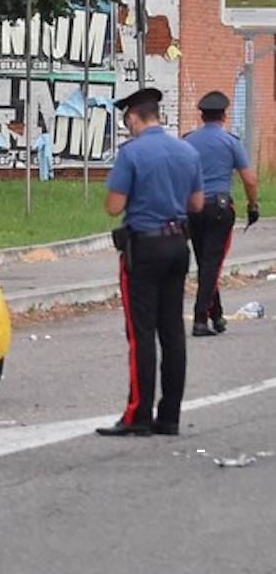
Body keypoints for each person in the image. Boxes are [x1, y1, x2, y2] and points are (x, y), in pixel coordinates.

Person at [97, 88, 204, 437]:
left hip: (144, 248)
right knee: (172, 330)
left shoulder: (132, 154)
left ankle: (138, 415)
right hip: (178, 245)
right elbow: (197, 204)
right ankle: (169, 416)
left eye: (126, 119)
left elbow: (114, 206)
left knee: (141, 332)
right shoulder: (187, 150)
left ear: (132, 118)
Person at [183, 90, 260, 337]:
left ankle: (216, 315)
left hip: (192, 209)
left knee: (206, 261)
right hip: (219, 208)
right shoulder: (230, 142)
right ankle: (199, 319)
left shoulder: (187, 141)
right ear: (224, 115)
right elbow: (249, 180)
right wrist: (253, 205)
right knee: (212, 265)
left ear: (202, 115)